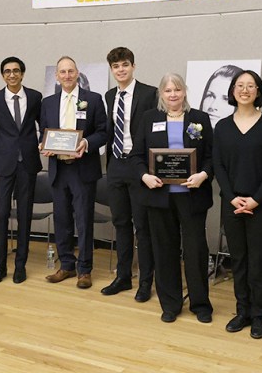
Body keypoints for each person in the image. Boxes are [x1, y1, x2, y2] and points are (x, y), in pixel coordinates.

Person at [131, 73, 214, 324]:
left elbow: (211, 156)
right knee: (164, 250)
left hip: (192, 196)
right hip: (159, 197)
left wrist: (203, 174)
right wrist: (145, 176)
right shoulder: (149, 119)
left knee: (195, 251)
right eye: (168, 91)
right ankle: (170, 303)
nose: (173, 95)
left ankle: (200, 304)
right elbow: (136, 157)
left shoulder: (199, 118)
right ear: (161, 94)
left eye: (177, 89)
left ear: (185, 91)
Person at [213, 70, 262, 339]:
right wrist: (232, 197)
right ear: (232, 91)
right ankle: (242, 311)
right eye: (239, 85)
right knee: (238, 260)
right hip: (232, 203)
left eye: (250, 86)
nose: (245, 90)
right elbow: (218, 165)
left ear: (258, 91)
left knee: (259, 261)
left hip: (260, 205)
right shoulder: (222, 127)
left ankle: (258, 316)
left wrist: (255, 199)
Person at [38, 56, 107, 289]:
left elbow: (103, 132)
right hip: (58, 169)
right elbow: (44, 133)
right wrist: (43, 145)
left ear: (77, 73)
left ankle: (84, 270)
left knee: (84, 220)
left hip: (83, 169)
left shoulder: (93, 99)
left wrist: (86, 143)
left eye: (70, 71)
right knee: (62, 219)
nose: (66, 75)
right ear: (57, 76)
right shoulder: (48, 103)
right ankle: (66, 265)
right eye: (62, 72)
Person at [100, 47, 157, 302]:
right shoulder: (109, 95)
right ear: (111, 70)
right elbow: (110, 130)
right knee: (120, 224)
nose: (120, 70)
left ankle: (145, 281)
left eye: (124, 65)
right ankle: (123, 276)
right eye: (115, 67)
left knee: (142, 227)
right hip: (115, 166)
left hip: (139, 167)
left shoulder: (149, 93)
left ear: (133, 66)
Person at [0, 57, 43, 285]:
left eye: (16, 71)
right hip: (3, 165)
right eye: (7, 71)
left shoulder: (36, 97)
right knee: (1, 214)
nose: (12, 75)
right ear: (2, 75)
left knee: (24, 215)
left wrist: (46, 143)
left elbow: (45, 126)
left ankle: (21, 265)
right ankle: (0, 267)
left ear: (23, 73)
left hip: (27, 164)